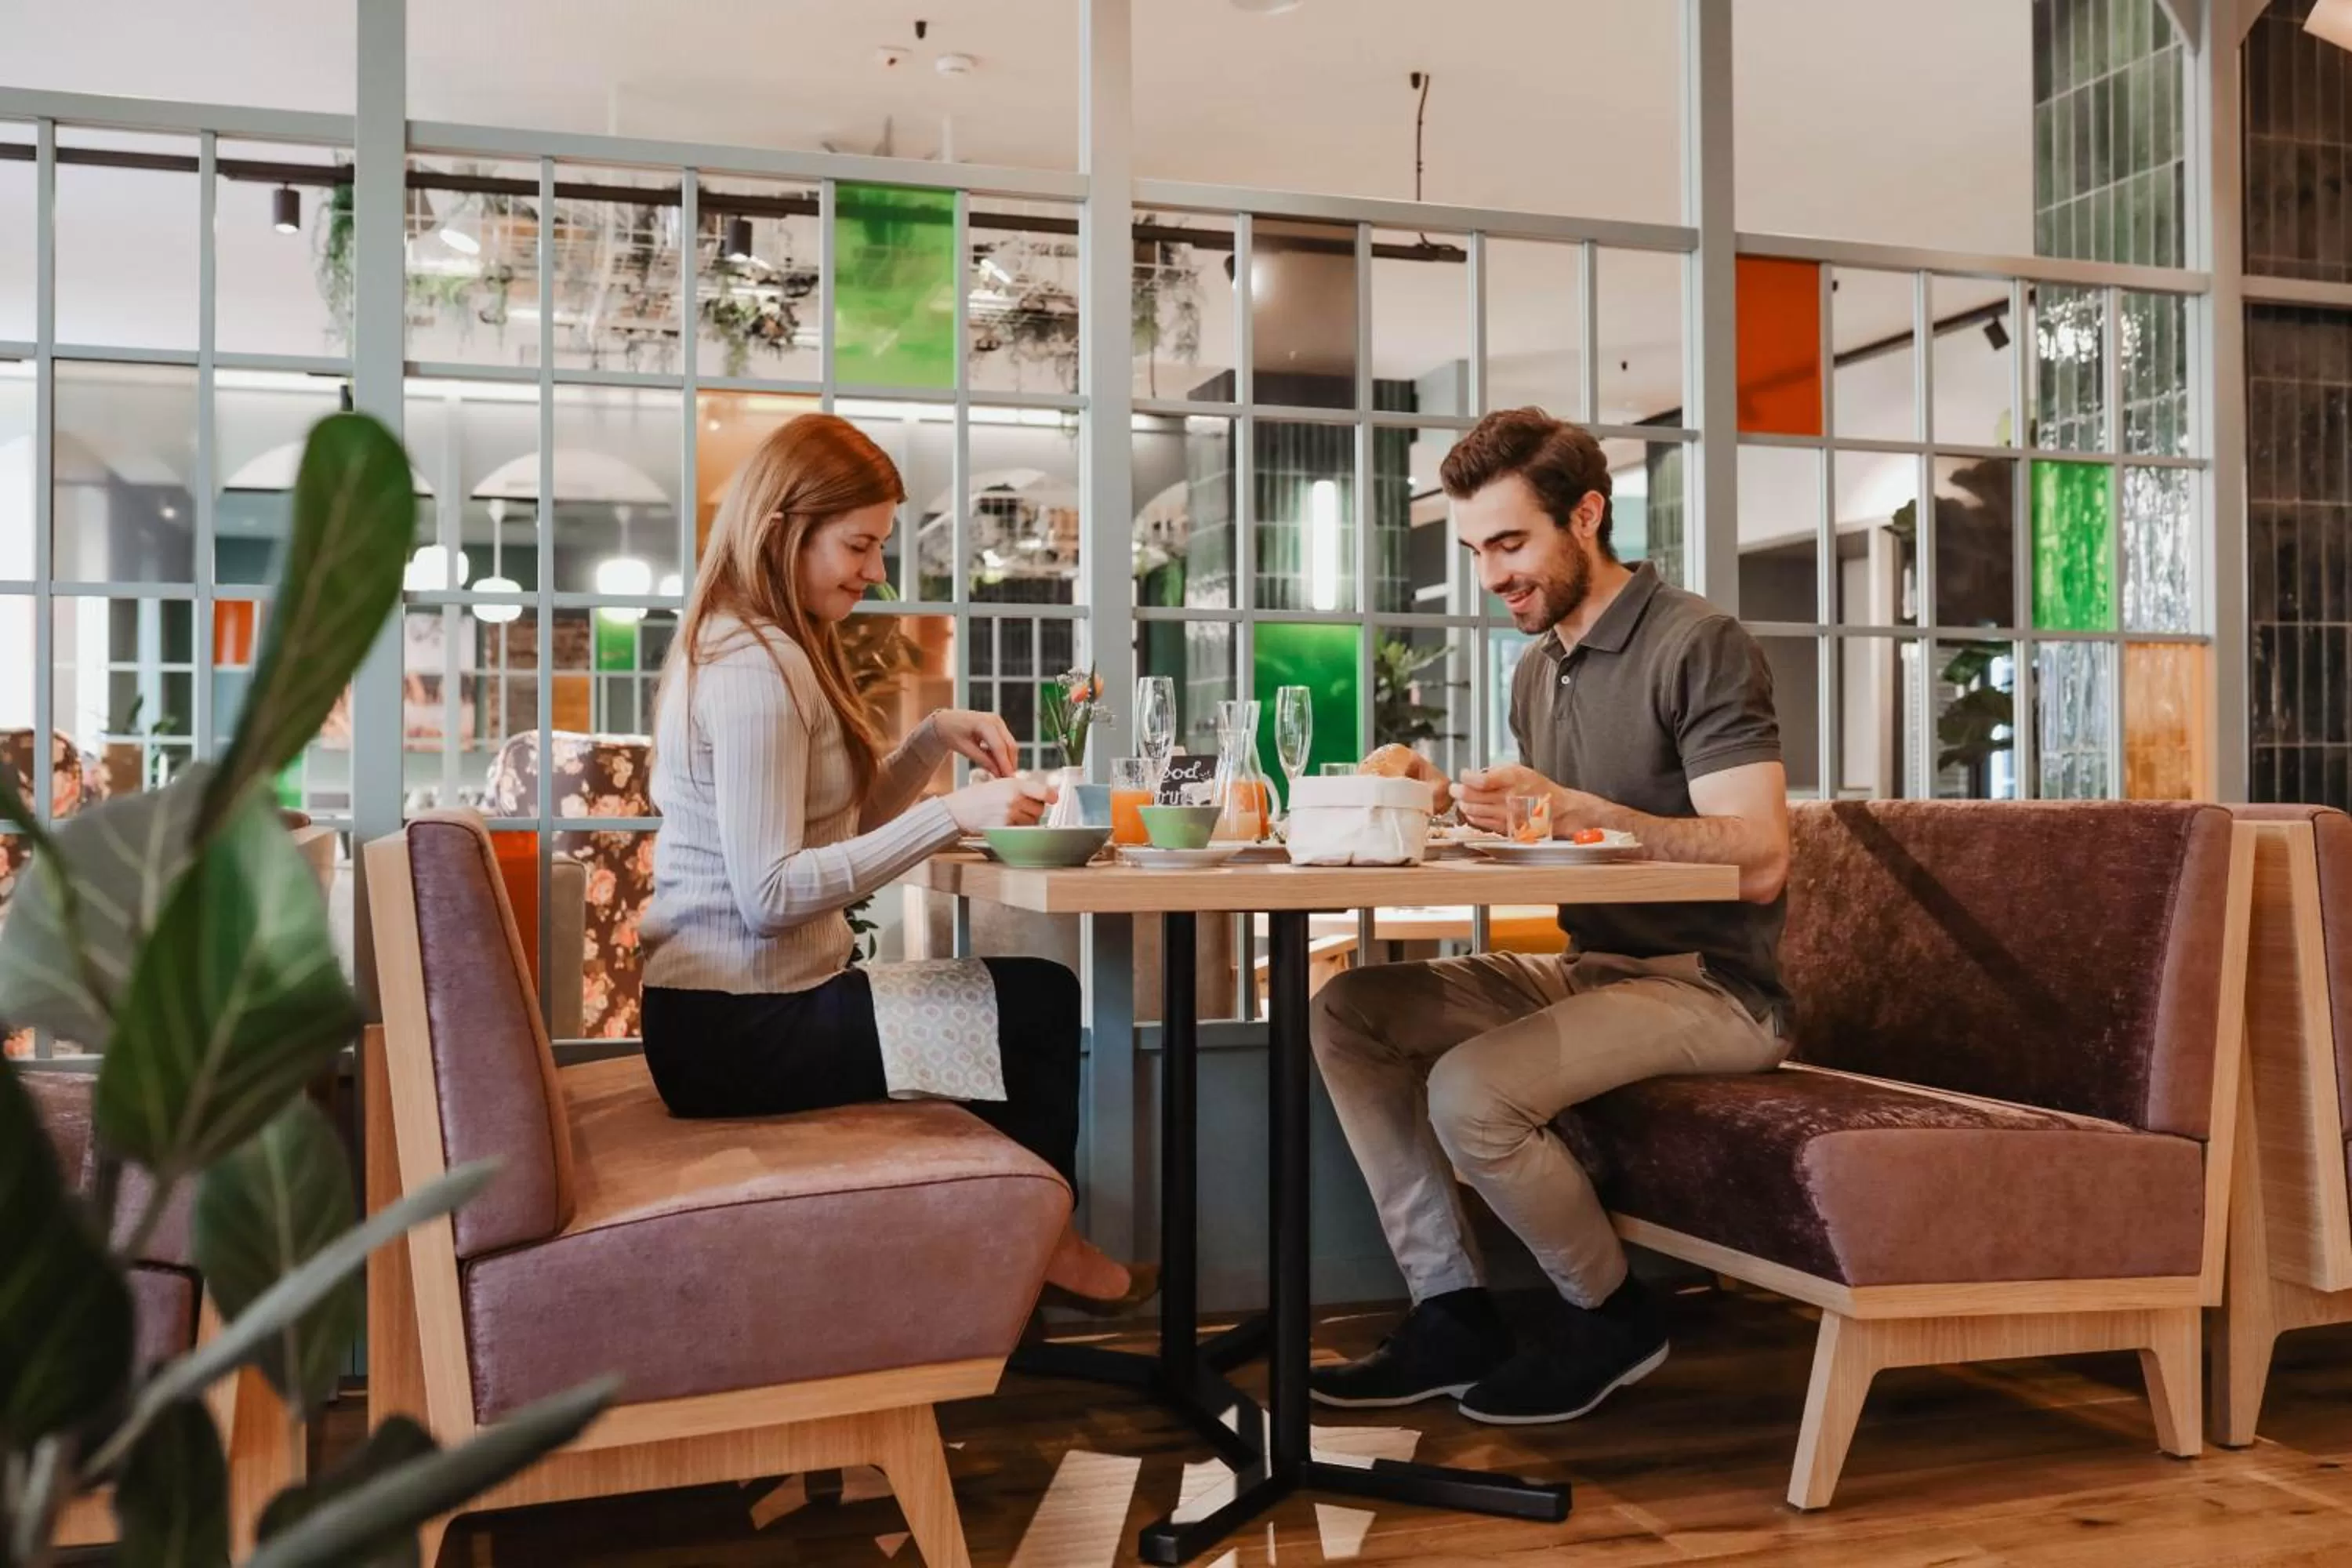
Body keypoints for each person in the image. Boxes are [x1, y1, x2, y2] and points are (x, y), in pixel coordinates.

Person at [1309, 407, 1790, 1423]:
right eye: (1476, 551)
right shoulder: (1538, 669)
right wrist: (1446, 802)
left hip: (1713, 989)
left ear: (1587, 515)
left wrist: (1581, 813)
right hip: (1592, 968)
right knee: (1350, 1009)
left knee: (1469, 1090)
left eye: (1511, 543)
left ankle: (1611, 1314)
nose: (1492, 575)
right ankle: (1452, 1311)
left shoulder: (1699, 643)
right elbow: (1551, 838)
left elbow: (1760, 858)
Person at [638, 412, 1150, 1312]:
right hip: (739, 1030)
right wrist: (954, 811)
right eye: (859, 544)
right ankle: (1037, 1247)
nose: (876, 571)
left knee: (1022, 1000)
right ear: (784, 529)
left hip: (727, 1016)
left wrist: (928, 741)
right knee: (1035, 1003)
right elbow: (770, 894)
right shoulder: (756, 667)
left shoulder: (751, 640)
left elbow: (832, 826)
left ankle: (1001, 1259)